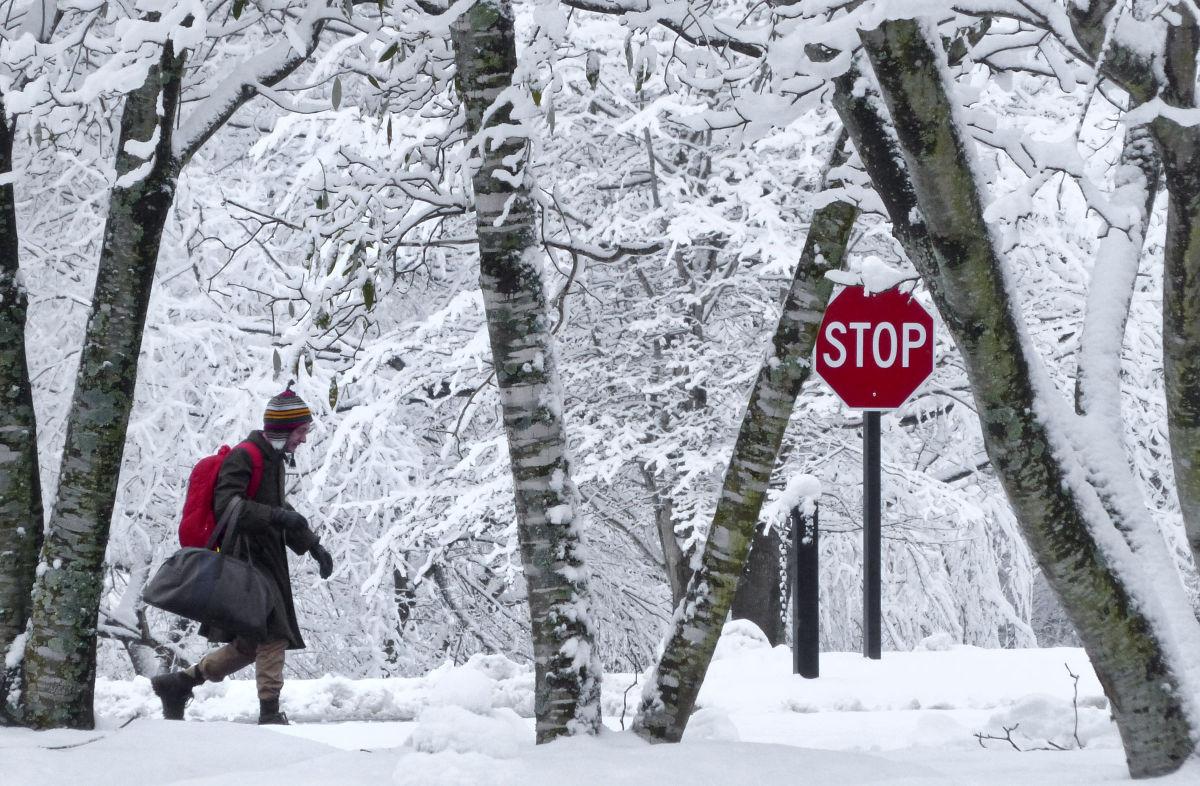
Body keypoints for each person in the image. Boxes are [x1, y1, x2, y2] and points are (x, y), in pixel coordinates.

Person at [151, 386, 334, 724]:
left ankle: (179, 683)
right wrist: (279, 517)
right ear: (283, 429)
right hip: (247, 560)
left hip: (266, 559)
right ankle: (269, 713)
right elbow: (228, 506)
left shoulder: (273, 459)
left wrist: (312, 545)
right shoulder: (245, 456)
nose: (303, 440)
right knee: (273, 634)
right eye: (301, 432)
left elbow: (279, 508)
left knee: (252, 644)